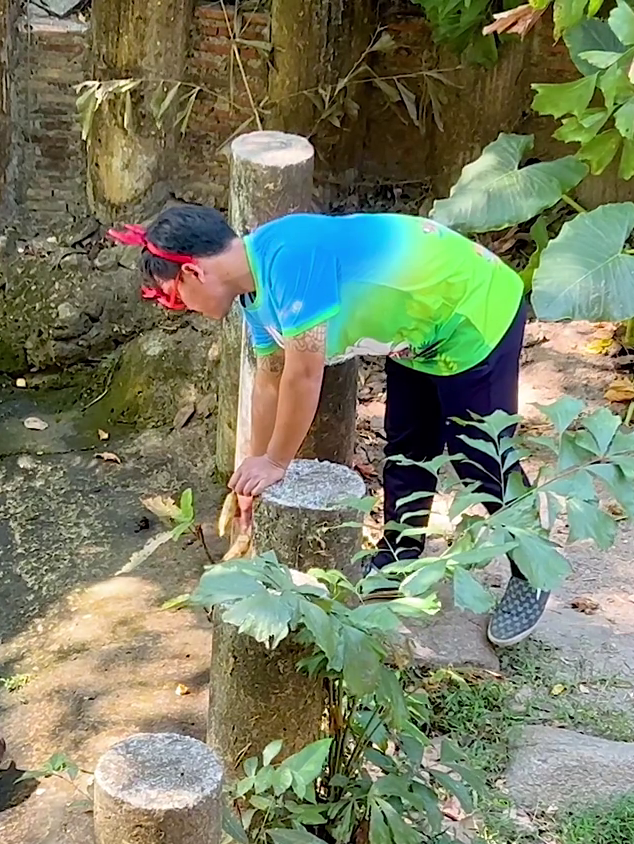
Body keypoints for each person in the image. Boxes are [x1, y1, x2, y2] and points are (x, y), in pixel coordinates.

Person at [106, 203, 549, 647]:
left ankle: (535, 567)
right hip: (418, 330)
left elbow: (303, 374)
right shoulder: (251, 292)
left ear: (193, 273)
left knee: (479, 456)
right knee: (407, 447)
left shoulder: (290, 258)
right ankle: (399, 557)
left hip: (472, 310)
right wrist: (253, 469)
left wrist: (276, 462)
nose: (178, 308)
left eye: (173, 297)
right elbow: (269, 378)